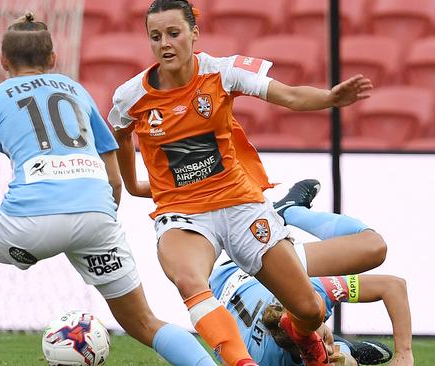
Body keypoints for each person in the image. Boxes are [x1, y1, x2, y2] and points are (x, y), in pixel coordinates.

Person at [0, 13, 216, 366]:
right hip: (97, 216)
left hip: (31, 220)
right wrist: (103, 218)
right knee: (144, 323)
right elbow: (113, 172)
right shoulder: (76, 91)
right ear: (52, 60)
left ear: (2, 61)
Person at [107, 1, 375, 365]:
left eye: (174, 33)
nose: (165, 44)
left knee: (309, 310)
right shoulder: (131, 96)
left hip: (240, 206)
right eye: (155, 37)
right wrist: (134, 183)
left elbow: (290, 95)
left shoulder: (223, 72)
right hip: (183, 214)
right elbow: (120, 132)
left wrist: (328, 98)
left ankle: (303, 337)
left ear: (194, 34)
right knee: (189, 281)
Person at [208, 180, 414, 366]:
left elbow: (392, 286)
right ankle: (348, 348)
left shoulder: (311, 297)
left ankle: (289, 211)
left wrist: (403, 353)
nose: (327, 346)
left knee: (374, 248)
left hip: (236, 272)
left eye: (324, 338)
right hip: (237, 295)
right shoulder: (262, 357)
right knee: (338, 356)